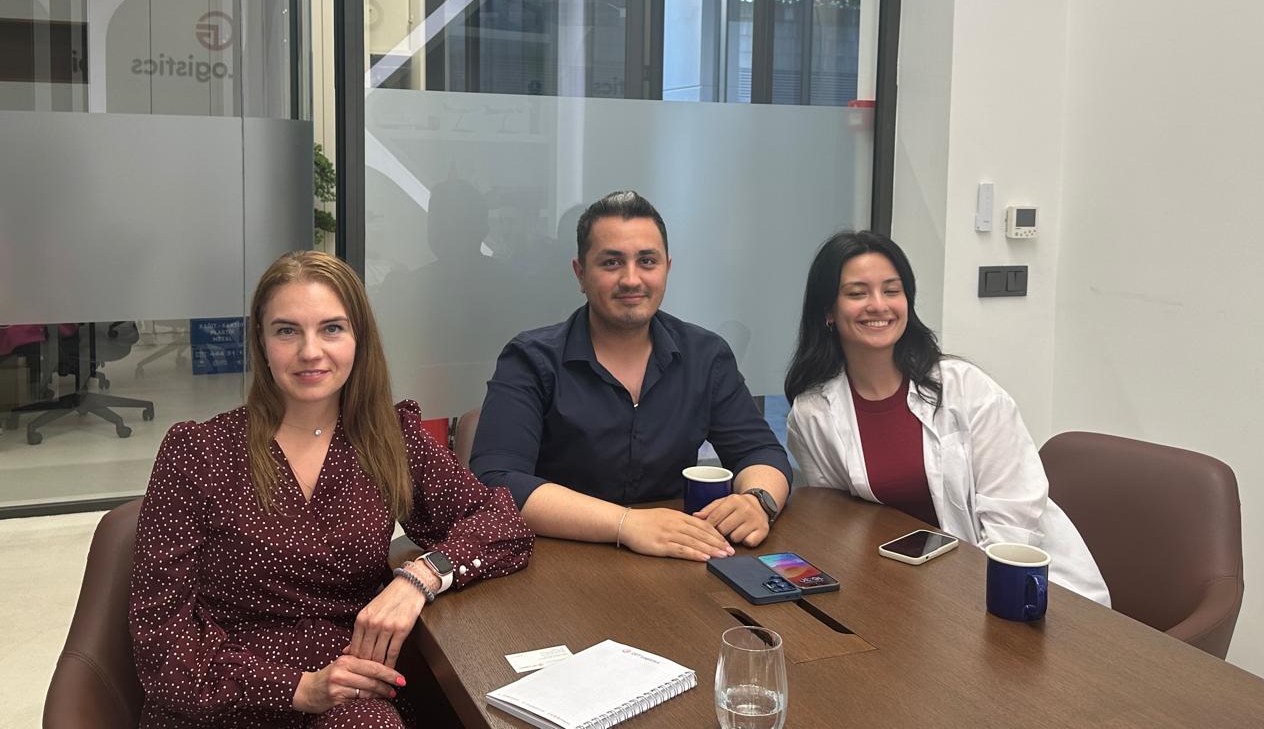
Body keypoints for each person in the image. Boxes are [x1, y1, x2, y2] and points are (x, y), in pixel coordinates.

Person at [129, 251, 533, 728]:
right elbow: (160, 640)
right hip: (222, 696)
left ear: (359, 338)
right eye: (287, 331)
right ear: (261, 342)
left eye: (332, 329)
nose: (310, 351)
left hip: (350, 691)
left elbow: (502, 523)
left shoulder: (390, 439)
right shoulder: (198, 452)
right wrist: (300, 688)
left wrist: (420, 578)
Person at [784, 231, 1109, 604]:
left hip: (1018, 586)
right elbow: (838, 521)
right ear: (828, 311)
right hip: (899, 590)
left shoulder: (967, 389)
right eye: (857, 293)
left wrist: (964, 601)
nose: (878, 305)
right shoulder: (812, 414)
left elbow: (1013, 518)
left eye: (892, 290)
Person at [470, 190, 792, 562]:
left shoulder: (705, 355)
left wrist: (757, 501)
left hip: (674, 560)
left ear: (666, 268)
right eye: (611, 263)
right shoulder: (530, 359)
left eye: (647, 261)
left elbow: (761, 452)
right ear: (580, 273)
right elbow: (497, 480)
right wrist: (626, 524)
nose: (631, 279)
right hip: (558, 563)